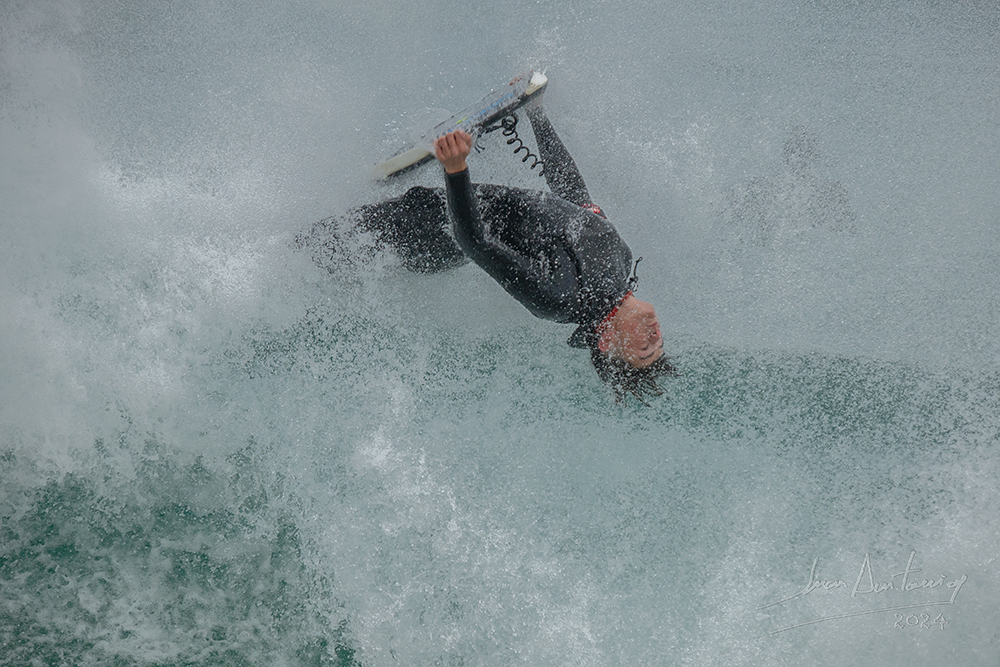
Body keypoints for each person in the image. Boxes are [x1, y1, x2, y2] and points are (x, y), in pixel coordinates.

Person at [299, 104, 677, 403]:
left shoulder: (560, 299)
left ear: (607, 342)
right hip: (437, 218)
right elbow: (574, 196)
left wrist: (455, 169)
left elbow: (476, 244)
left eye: (645, 349)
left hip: (428, 233)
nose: (655, 336)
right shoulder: (619, 264)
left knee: (307, 251)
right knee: (325, 249)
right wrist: (536, 113)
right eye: (660, 342)